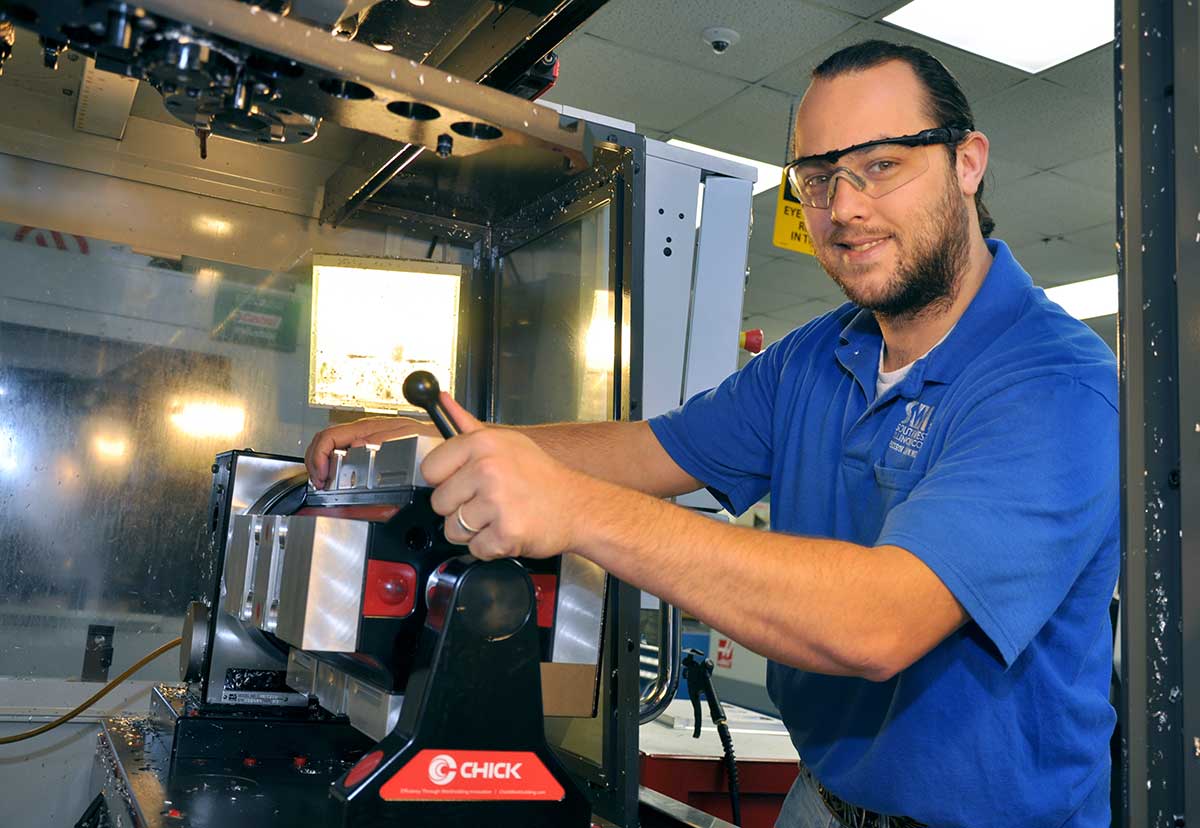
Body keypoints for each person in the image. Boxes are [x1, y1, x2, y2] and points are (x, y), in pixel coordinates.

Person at [305, 40, 1119, 828]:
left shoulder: (1056, 383)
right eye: (818, 177)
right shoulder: (813, 357)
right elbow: (652, 450)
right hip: (821, 801)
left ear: (967, 162)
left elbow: (879, 624)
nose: (844, 207)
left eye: (881, 165)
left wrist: (573, 507)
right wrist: (464, 443)